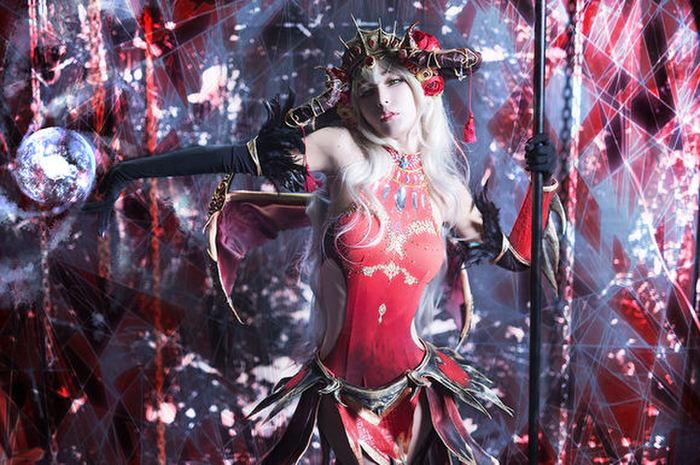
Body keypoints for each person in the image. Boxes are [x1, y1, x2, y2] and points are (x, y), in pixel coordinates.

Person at [84, 20, 559, 465]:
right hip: (341, 389)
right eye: (366, 90)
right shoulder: (343, 148)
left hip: (419, 385)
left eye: (394, 81)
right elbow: (233, 157)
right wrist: (127, 172)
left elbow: (516, 256)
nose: (382, 98)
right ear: (354, 103)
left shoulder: (446, 192)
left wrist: (545, 183)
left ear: (422, 87)